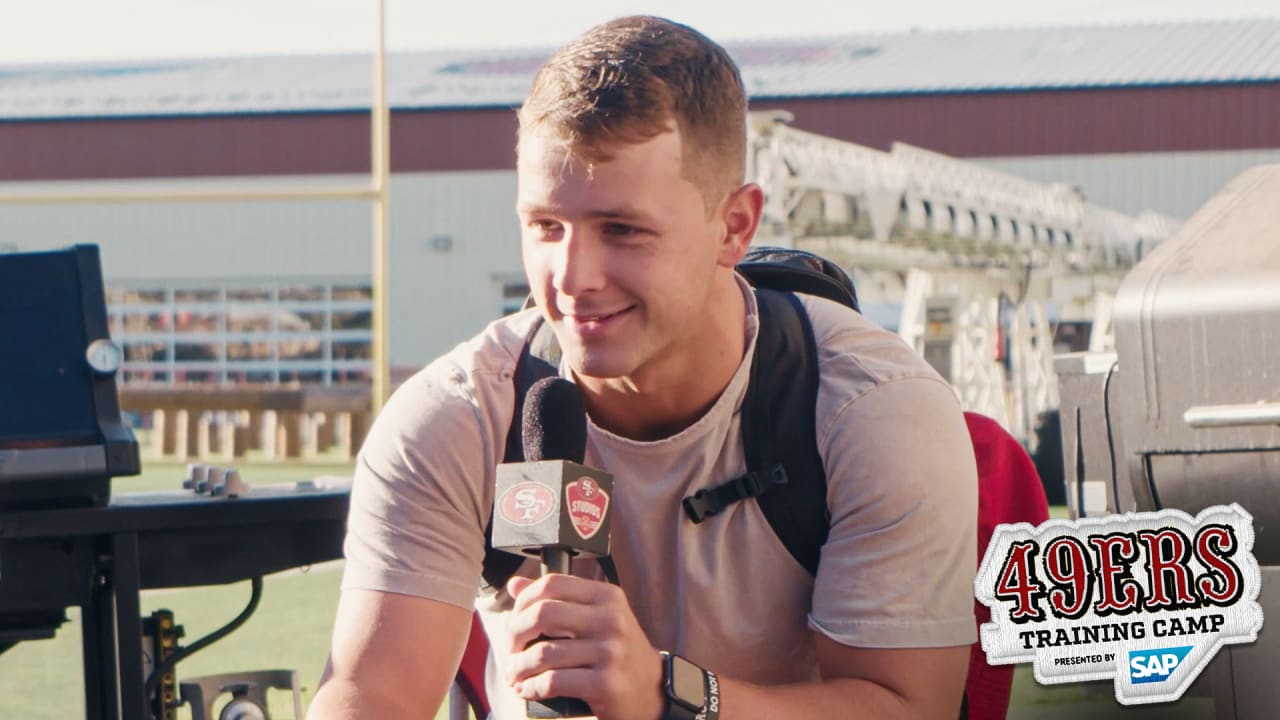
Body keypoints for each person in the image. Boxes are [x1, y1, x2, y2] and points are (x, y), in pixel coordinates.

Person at [309, 15, 977, 720]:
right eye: (545, 226)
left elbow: (908, 707)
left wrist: (670, 695)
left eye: (621, 229)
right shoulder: (458, 417)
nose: (572, 278)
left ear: (735, 227)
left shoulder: (868, 408)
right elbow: (369, 693)